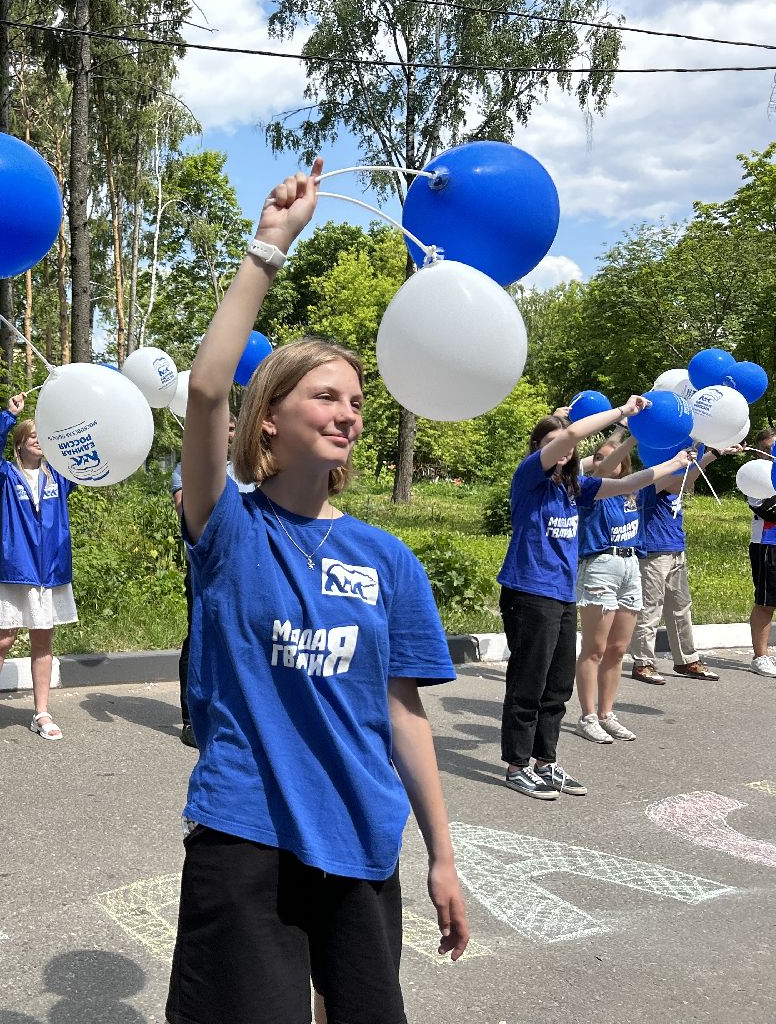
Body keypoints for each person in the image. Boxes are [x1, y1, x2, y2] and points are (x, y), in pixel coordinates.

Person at [166, 162, 469, 1024]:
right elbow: (203, 386)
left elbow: (404, 713)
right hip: (247, 834)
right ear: (269, 416)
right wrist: (270, 246)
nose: (349, 413)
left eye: (358, 401)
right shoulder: (227, 529)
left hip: (365, 839)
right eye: (326, 395)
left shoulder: (386, 558)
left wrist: (442, 854)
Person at [498, 404, 693, 799]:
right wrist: (623, 412)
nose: (563, 451)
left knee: (556, 685)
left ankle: (545, 762)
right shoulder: (530, 478)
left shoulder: (574, 488)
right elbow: (570, 437)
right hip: (529, 592)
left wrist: (673, 461)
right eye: (552, 444)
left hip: (561, 594)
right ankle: (517, 765)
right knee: (528, 683)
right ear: (538, 448)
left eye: (564, 446)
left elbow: (628, 484)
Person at [0, 392, 77, 746]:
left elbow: (83, 458)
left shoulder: (59, 478)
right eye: (34, 437)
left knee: (43, 642)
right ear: (19, 445)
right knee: (3, 640)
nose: (40, 441)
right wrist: (7, 417)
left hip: (51, 572)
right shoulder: (3, 476)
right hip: (16, 570)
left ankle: (41, 712)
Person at [170, 413, 253, 750]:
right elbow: (188, 512)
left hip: (248, 566)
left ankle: (238, 712)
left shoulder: (252, 467)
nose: (228, 433)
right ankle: (191, 718)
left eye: (232, 428)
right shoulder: (189, 467)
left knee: (244, 636)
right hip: (206, 567)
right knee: (200, 635)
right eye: (221, 427)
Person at [573, 432, 647, 741]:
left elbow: (672, 473)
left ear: (625, 465)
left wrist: (702, 452)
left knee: (618, 650)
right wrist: (631, 436)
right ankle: (588, 716)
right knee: (595, 648)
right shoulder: (591, 490)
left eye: (609, 456)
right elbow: (601, 470)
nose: (602, 462)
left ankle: (606, 713)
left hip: (631, 567)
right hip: (601, 568)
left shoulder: (632, 494)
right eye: (598, 457)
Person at [630, 444, 723, 682]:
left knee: (680, 608)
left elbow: (687, 479)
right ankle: (643, 663)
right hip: (654, 552)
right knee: (651, 608)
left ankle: (687, 660)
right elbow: (676, 480)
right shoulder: (654, 480)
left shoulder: (675, 482)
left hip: (675, 550)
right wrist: (699, 457)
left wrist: (713, 452)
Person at [747, 428, 776, 677]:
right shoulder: (756, 475)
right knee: (766, 602)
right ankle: (760, 656)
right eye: (767, 449)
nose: (771, 453)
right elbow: (768, 510)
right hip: (768, 544)